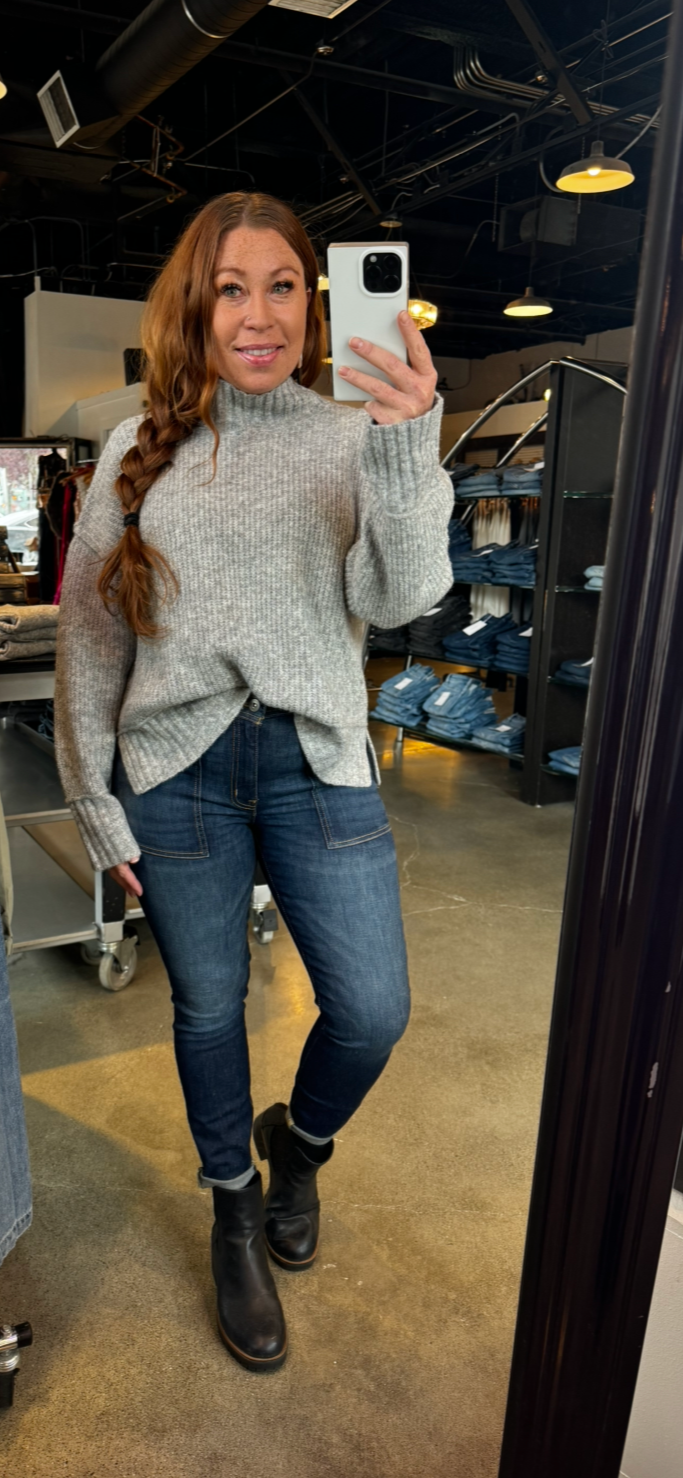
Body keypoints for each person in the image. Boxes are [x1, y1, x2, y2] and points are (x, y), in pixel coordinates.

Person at [55, 192, 453, 1373]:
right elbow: (91, 641)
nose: (259, 314)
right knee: (207, 1005)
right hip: (174, 772)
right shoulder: (135, 450)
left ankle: (300, 1143)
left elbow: (400, 599)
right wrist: (92, 798)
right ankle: (233, 1203)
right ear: (196, 305)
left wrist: (405, 442)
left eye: (282, 285)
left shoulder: (355, 433)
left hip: (314, 760)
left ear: (313, 305)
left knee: (372, 1008)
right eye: (231, 288)